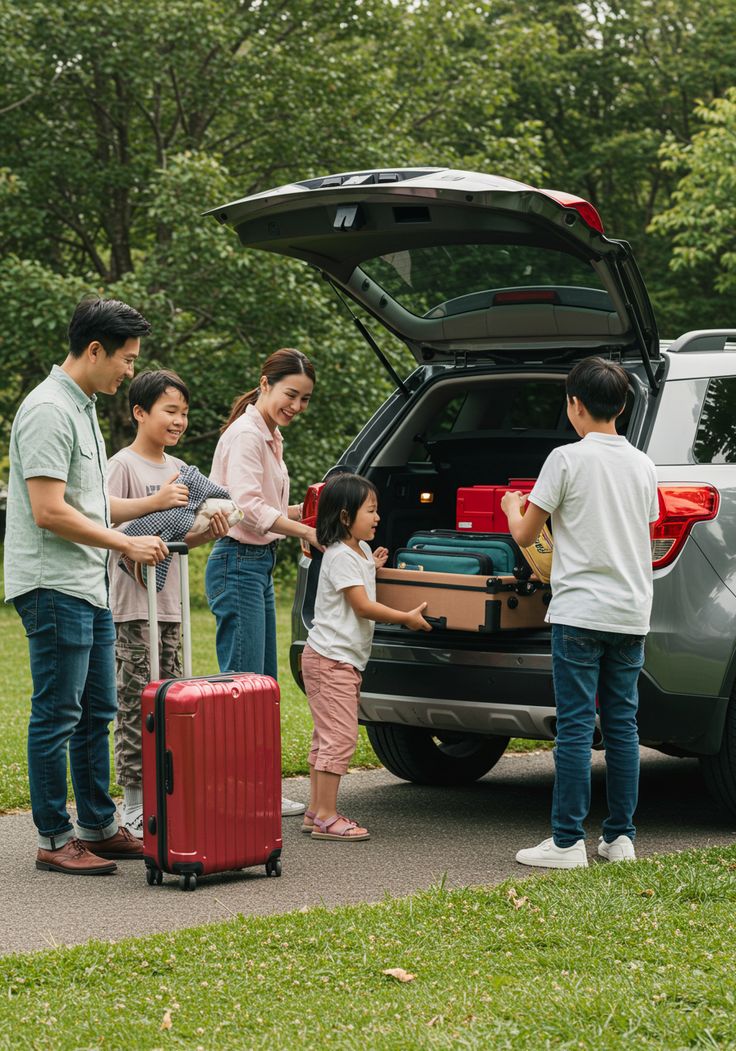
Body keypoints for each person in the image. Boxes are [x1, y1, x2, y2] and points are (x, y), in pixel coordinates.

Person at [4, 297, 179, 876]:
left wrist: (147, 508)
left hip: (88, 584)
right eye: (126, 359)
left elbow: (89, 502)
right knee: (57, 713)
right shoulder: (49, 410)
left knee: (97, 709)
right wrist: (125, 542)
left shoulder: (83, 408)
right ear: (95, 350)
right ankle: (55, 837)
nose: (130, 370)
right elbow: (49, 511)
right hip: (54, 583)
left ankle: (98, 827)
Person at [501, 356, 659, 869]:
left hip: (580, 613)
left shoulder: (565, 459)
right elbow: (650, 531)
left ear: (575, 404)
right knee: (623, 727)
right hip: (631, 612)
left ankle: (567, 842)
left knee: (574, 726)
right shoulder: (643, 463)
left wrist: (510, 508)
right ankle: (620, 838)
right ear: (622, 405)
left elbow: (527, 535)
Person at [108, 369, 230, 837]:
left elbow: (177, 540)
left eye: (183, 412)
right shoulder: (124, 465)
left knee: (172, 700)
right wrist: (156, 506)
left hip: (171, 606)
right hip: (134, 607)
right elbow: (109, 529)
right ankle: (134, 803)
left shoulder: (183, 471)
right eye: (169, 411)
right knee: (137, 704)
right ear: (140, 412)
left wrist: (202, 533)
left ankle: (167, 794)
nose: (178, 420)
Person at [206, 348, 319, 817]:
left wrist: (309, 514)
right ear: (266, 383)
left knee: (262, 683)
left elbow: (268, 508)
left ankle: (257, 789)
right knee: (241, 685)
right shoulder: (247, 435)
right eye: (291, 394)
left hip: (257, 563)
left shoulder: (270, 435)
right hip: (236, 562)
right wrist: (305, 530)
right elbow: (248, 507)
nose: (297, 406)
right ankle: (235, 795)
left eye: (306, 399)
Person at [301, 473, 432, 840]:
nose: (377, 517)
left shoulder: (354, 552)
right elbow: (361, 605)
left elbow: (356, 578)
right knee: (339, 737)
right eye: (371, 511)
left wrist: (370, 565)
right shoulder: (342, 556)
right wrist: (405, 617)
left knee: (326, 735)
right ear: (345, 517)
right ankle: (327, 816)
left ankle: (315, 810)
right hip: (332, 661)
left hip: (334, 659)